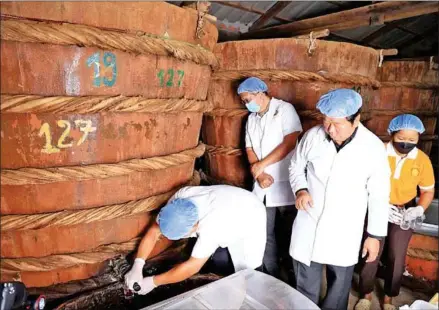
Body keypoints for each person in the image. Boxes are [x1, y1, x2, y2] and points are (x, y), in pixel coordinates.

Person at [288, 89, 391, 310]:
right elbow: (295, 166)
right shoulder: (313, 136)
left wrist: (374, 236)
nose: (330, 129)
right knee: (305, 284)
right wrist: (301, 189)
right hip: (310, 219)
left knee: (339, 287)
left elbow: (379, 195)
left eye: (337, 123)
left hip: (345, 227)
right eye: (326, 121)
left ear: (356, 120)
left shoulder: (372, 148)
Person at [124, 185, 266, 295]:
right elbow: (154, 231)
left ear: (195, 226)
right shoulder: (179, 200)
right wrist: (138, 264)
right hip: (229, 200)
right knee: (218, 259)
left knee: (247, 272)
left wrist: (154, 282)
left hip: (251, 213)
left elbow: (193, 266)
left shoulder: (212, 227)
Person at [355, 114, 435, 310]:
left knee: (396, 256)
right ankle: (365, 293)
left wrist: (417, 209)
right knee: (371, 252)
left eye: (412, 140)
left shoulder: (422, 160)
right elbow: (360, 181)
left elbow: (427, 191)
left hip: (404, 211)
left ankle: (389, 296)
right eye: (401, 139)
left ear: (418, 138)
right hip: (376, 207)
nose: (406, 144)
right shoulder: (378, 152)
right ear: (392, 134)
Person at [237, 77, 302, 278]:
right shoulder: (251, 118)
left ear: (261, 93)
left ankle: (293, 275)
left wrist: (261, 165)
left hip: (286, 182)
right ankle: (271, 275)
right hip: (263, 183)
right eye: (244, 101)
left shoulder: (284, 109)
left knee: (291, 232)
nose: (247, 103)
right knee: (264, 233)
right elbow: (249, 147)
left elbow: (290, 141)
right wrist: (259, 173)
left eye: (248, 99)